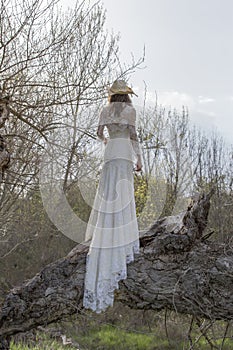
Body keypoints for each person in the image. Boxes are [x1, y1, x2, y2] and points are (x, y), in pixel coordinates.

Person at [83, 80, 142, 313]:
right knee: (124, 197)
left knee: (108, 195)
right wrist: (140, 159)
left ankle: (105, 234)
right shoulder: (131, 111)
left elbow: (98, 133)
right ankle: (122, 238)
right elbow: (134, 136)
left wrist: (107, 140)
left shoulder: (105, 110)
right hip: (125, 154)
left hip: (110, 155)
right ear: (127, 95)